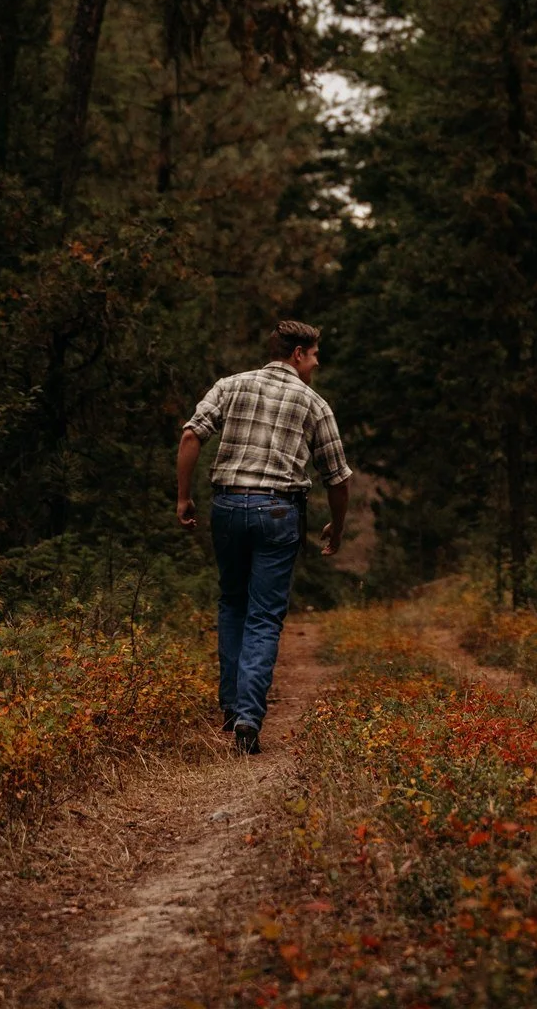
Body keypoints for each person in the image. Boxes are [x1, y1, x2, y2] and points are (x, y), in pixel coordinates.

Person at [177, 318, 352, 754]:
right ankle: (249, 717)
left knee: (232, 603)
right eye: (313, 356)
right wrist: (337, 525)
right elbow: (338, 477)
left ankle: (232, 707)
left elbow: (190, 436)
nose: (315, 363)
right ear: (297, 354)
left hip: (228, 507)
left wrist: (183, 498)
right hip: (278, 511)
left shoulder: (229, 386)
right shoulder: (313, 404)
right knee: (264, 616)